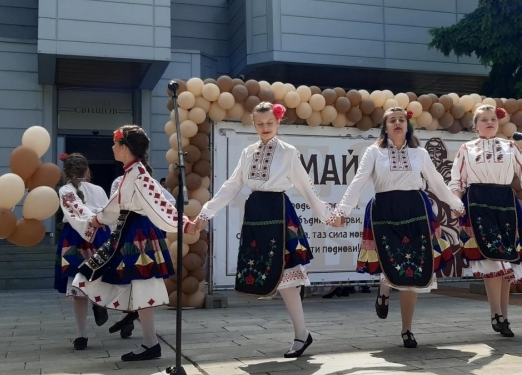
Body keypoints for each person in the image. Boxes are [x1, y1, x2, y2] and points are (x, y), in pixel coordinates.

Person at [194, 102, 334, 358]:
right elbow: (231, 185)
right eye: (260, 124)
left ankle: (301, 334)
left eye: (269, 123)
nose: (265, 128)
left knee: (287, 277)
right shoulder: (248, 152)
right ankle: (303, 334)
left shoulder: (288, 152)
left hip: (278, 211)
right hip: (256, 212)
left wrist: (328, 215)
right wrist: (206, 213)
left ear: (278, 122)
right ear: (253, 123)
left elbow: (306, 187)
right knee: (275, 276)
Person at [332, 107, 465, 348]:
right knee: (392, 261)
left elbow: (436, 183)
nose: (397, 123)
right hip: (385, 211)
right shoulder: (373, 153)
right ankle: (384, 290)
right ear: (385, 127)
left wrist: (456, 205)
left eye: (401, 120)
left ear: (407, 125)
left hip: (415, 211)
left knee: (413, 270)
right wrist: (342, 211)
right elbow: (358, 183)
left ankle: (407, 329)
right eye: (392, 120)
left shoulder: (419, 153)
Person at [72, 125, 197, 361]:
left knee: (140, 285)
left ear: (125, 147)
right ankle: (147, 340)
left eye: (115, 143)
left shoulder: (140, 176)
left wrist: (184, 224)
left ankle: (150, 343)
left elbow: (162, 204)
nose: (112, 147)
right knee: (124, 282)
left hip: (138, 235)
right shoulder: (130, 173)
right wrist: (98, 219)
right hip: (126, 232)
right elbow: (114, 205)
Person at [449, 104, 522, 337]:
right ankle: (496, 314)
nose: (489, 122)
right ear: (475, 125)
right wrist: (456, 205)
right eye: (483, 119)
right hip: (478, 203)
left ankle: (503, 316)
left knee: (507, 261)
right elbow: (457, 181)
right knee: (492, 259)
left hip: (504, 202)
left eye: (492, 119)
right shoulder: (466, 148)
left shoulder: (510, 146)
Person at [106, 169, 177, 339]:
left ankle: (130, 317)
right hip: (146, 230)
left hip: (130, 230)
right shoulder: (146, 180)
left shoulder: (121, 181)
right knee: (134, 275)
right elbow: (169, 201)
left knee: (133, 275)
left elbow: (113, 210)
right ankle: (129, 316)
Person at [55, 153, 112, 350]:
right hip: (100, 235)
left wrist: (90, 221)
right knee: (100, 277)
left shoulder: (65, 190)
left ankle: (81, 335)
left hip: (74, 237)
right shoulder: (98, 189)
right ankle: (100, 304)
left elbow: (76, 211)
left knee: (77, 284)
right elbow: (108, 213)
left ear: (66, 172)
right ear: (87, 171)